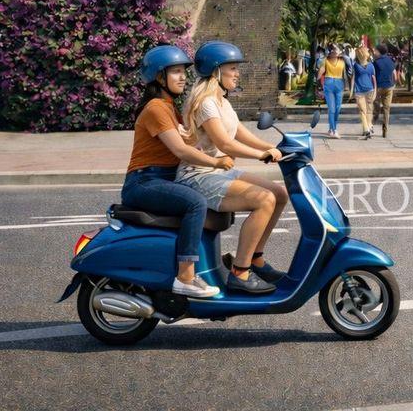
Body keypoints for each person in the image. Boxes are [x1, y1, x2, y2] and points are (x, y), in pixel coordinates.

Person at [177, 41, 289, 294]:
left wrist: (278, 147)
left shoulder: (222, 102)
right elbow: (225, 143)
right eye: (233, 68)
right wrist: (262, 155)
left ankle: (256, 258)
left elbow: (241, 134)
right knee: (264, 200)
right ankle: (240, 271)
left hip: (218, 173)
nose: (237, 74)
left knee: (280, 194)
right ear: (216, 71)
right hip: (198, 176)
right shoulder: (206, 103)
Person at [123, 45, 230, 299]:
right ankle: (185, 277)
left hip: (164, 178)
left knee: (219, 200)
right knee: (195, 203)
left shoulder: (169, 107)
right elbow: (181, 150)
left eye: (184, 72)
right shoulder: (156, 108)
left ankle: (207, 265)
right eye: (176, 72)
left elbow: (190, 142)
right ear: (159, 77)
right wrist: (214, 163)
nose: (183, 77)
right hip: (144, 181)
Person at [316, 44, 346, 138]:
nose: (336, 51)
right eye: (334, 49)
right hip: (329, 84)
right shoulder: (325, 61)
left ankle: (331, 128)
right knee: (332, 108)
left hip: (339, 84)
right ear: (330, 51)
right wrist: (318, 85)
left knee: (338, 108)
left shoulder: (343, 61)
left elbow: (347, 73)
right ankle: (334, 129)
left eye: (337, 49)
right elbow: (321, 71)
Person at [352, 44, 377, 140]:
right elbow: (373, 79)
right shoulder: (370, 65)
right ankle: (368, 127)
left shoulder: (357, 66)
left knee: (364, 111)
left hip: (363, 91)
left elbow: (373, 78)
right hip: (366, 90)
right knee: (366, 110)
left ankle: (367, 128)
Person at [372, 43, 397, 138]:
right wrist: (394, 84)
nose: (374, 52)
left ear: (379, 52)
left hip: (378, 88)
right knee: (387, 109)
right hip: (389, 87)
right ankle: (385, 131)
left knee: (376, 107)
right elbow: (394, 74)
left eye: (375, 51)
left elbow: (372, 75)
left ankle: (372, 123)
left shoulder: (376, 62)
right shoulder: (390, 61)